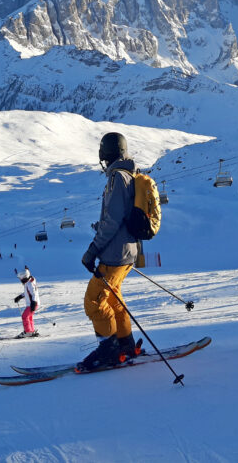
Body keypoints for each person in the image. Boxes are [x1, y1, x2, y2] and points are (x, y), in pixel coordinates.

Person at [77, 132, 142, 371]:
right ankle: (126, 344)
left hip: (114, 254)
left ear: (105, 154)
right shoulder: (129, 175)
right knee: (113, 299)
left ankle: (109, 350)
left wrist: (93, 250)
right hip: (128, 252)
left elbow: (113, 220)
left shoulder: (117, 178)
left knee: (94, 301)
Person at [13, 267, 40, 338]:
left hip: (32, 303)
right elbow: (27, 293)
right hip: (32, 303)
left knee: (24, 316)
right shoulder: (28, 282)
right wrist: (19, 297)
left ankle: (28, 332)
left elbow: (33, 293)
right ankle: (31, 330)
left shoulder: (29, 284)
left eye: (20, 278)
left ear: (24, 277)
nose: (20, 280)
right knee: (29, 317)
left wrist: (33, 302)